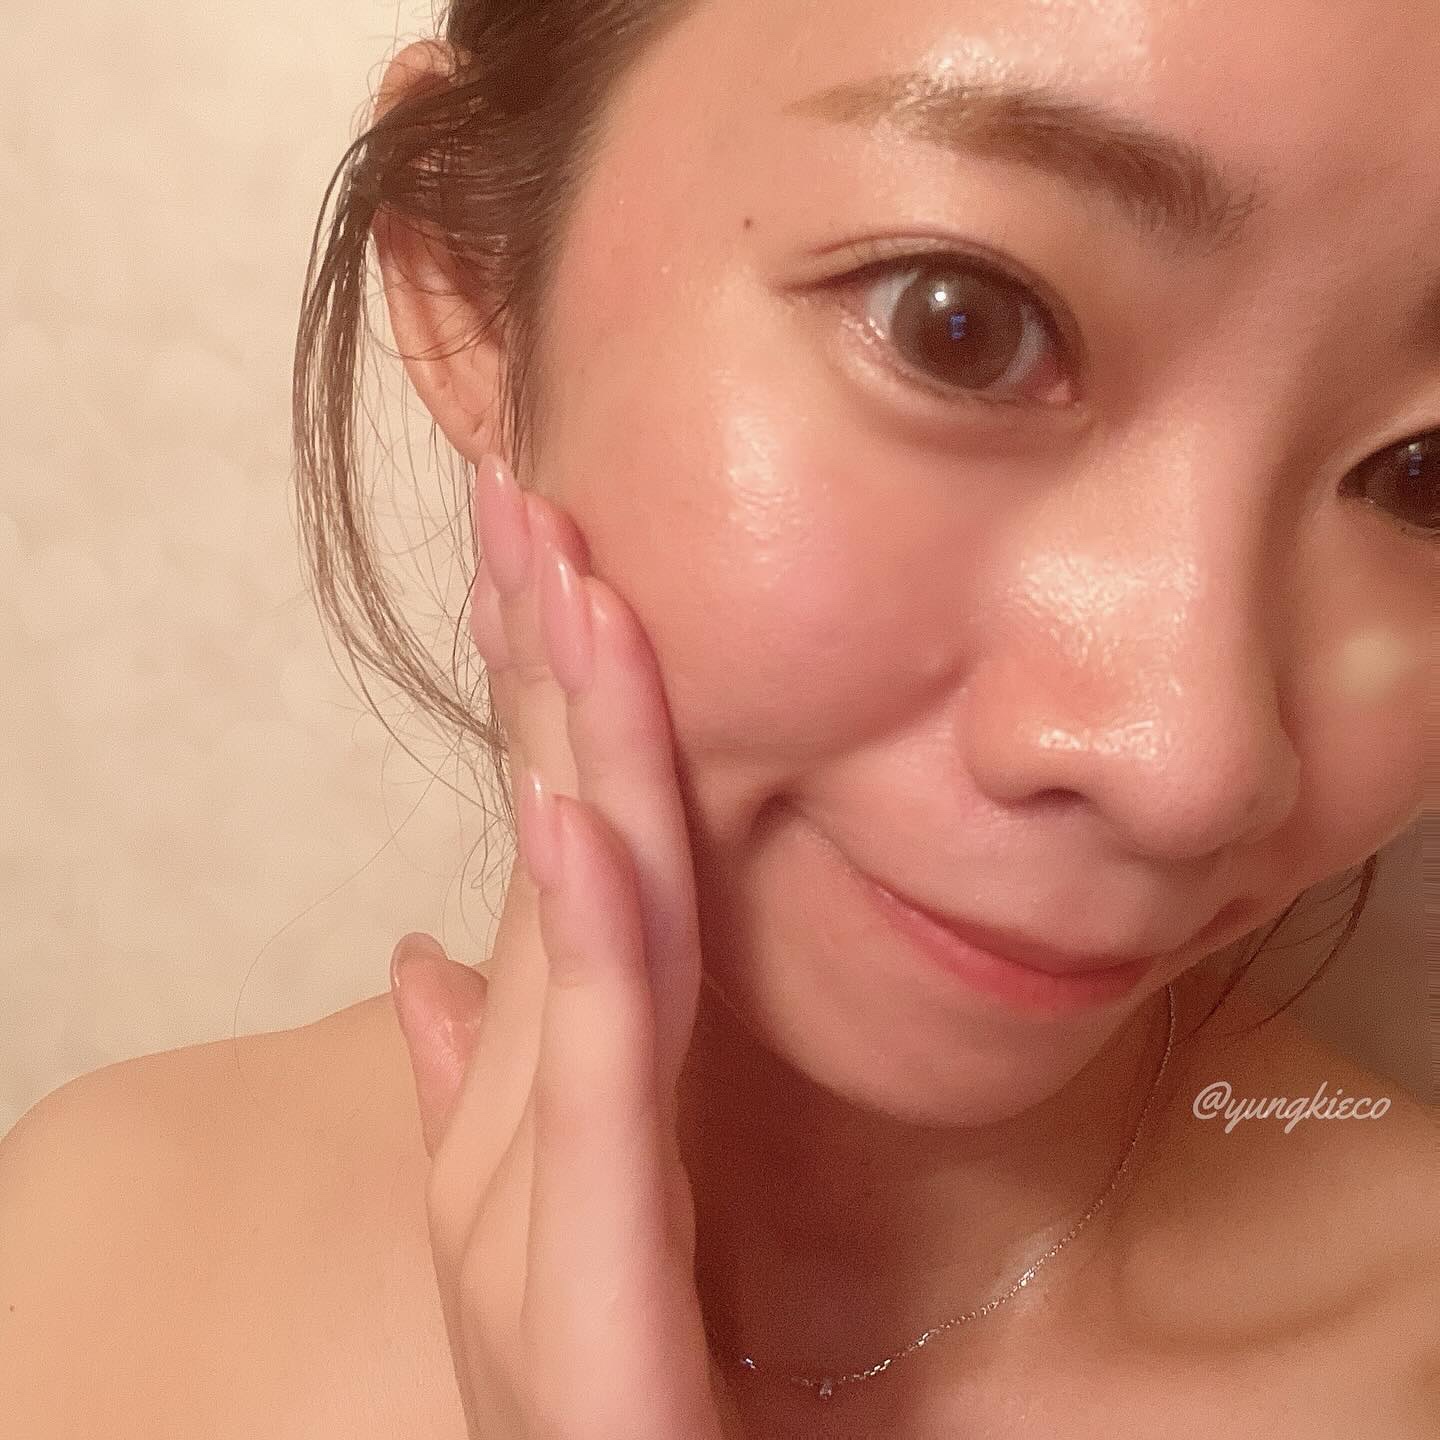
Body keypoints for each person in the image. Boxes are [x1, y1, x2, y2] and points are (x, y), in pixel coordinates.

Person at [2, 0, 1436, 1436]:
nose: (1196, 765)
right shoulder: (86, 1265)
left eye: (1425, 475)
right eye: (963, 327)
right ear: (470, 283)